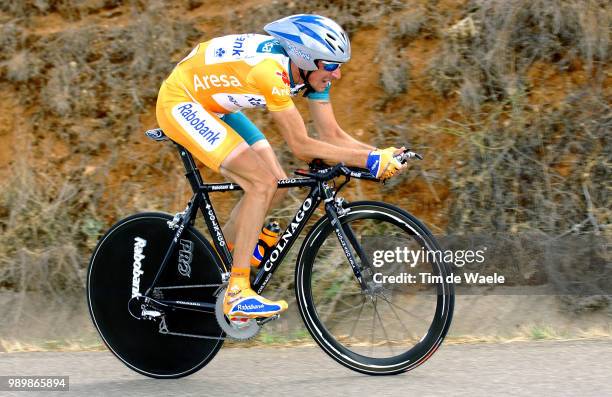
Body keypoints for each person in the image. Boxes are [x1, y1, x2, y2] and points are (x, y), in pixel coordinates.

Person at [155, 14, 406, 323]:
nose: (337, 74)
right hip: (182, 102)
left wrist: (379, 154)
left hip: (216, 104)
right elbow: (300, 146)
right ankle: (236, 292)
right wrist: (369, 162)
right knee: (260, 183)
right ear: (305, 59)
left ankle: (227, 261)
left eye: (338, 65)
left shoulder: (311, 73)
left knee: (275, 183)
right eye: (330, 65)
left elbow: (331, 135)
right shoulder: (270, 73)